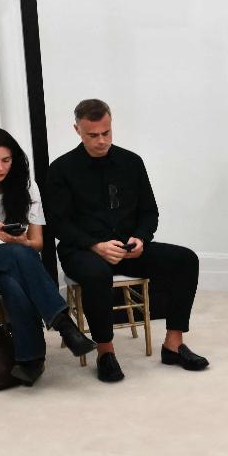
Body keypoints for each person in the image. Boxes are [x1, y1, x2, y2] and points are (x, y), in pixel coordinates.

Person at [44, 99, 208, 382]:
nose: (101, 140)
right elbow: (59, 224)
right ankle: (105, 352)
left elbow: (149, 212)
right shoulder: (61, 169)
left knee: (186, 259)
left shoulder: (132, 162)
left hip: (128, 247)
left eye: (106, 133)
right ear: (77, 130)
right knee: (97, 274)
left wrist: (141, 239)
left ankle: (173, 343)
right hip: (82, 250)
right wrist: (95, 245)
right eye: (93, 135)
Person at [0, 127, 96, 385]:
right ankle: (64, 325)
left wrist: (18, 239)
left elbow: (36, 244)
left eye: (6, 160)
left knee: (13, 278)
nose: (0, 167)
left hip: (17, 263)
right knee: (16, 255)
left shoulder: (26, 186)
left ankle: (30, 361)